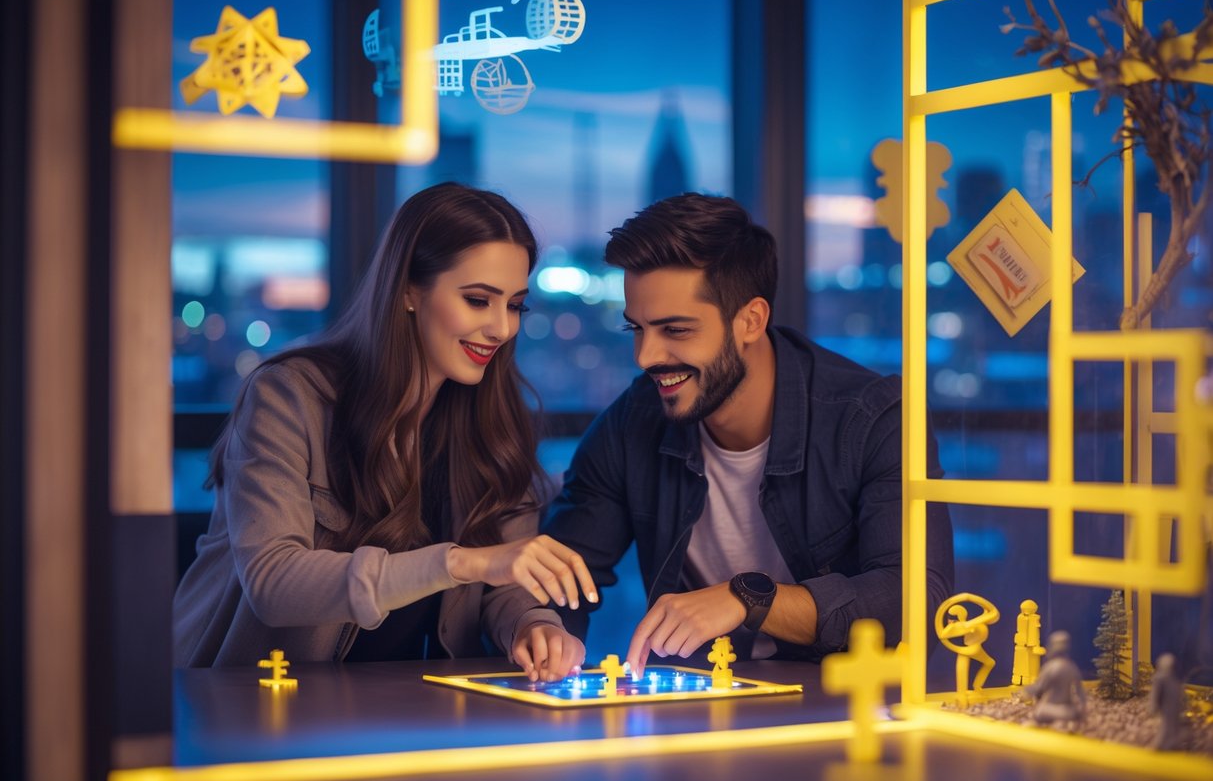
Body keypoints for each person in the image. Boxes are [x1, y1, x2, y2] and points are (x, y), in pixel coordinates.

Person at [174, 182, 593, 681]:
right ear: (409, 292)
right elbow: (273, 581)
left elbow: (503, 580)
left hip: (405, 709)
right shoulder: (289, 396)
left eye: (516, 305)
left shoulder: (494, 418)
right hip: (253, 702)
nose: (502, 329)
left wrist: (532, 623)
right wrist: (461, 563)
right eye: (478, 300)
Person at [542, 193, 953, 674]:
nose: (646, 356)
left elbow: (918, 607)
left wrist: (749, 598)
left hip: (841, 709)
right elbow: (560, 572)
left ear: (751, 321)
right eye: (637, 328)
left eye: (675, 330)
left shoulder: (871, 418)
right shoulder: (632, 420)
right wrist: (541, 628)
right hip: (699, 710)